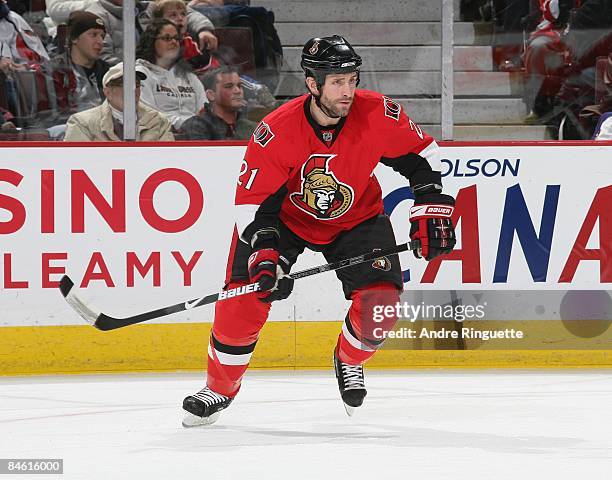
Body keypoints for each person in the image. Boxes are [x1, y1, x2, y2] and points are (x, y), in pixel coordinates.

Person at [181, 35, 457, 427]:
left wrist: (430, 206)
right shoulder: (277, 130)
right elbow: (254, 205)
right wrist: (264, 254)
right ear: (312, 83)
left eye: (351, 79)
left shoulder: (377, 112)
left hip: (357, 216)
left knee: (381, 307)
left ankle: (349, 359)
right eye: (337, 82)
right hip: (284, 222)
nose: (347, 91)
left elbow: (423, 158)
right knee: (243, 300)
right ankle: (219, 389)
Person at [64, 61, 174, 141]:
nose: (133, 90)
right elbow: (75, 163)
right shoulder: (82, 123)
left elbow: (168, 160)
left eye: (136, 85)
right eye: (125, 85)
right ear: (108, 93)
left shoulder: (159, 121)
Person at [136, 19, 207, 129]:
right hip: (158, 136)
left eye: (176, 38)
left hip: (195, 134)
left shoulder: (189, 76)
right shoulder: (140, 73)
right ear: (151, 42)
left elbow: (204, 110)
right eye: (167, 38)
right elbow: (148, 115)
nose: (173, 42)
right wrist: (185, 123)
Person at [48, 11, 109, 134]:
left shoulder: (108, 72)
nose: (100, 42)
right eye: (93, 34)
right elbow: (47, 117)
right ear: (74, 38)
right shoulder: (54, 71)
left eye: (102, 36)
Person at [180, 65, 256, 140]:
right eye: (229, 86)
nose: (238, 91)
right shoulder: (196, 126)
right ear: (211, 95)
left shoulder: (252, 128)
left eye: (239, 86)